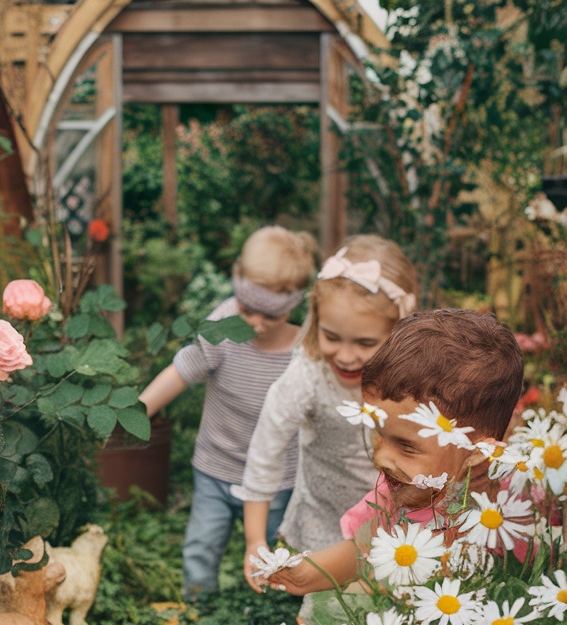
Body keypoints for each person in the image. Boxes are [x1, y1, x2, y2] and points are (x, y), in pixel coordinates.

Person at [265, 309, 526, 597]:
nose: (381, 458)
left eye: (406, 446)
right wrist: (309, 574)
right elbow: (365, 547)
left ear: (477, 453)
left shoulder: (511, 515)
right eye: (378, 431)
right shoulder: (398, 488)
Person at [139, 226, 317, 597]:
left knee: (274, 551)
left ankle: (266, 612)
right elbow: (183, 369)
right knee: (202, 546)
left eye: (270, 315)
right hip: (216, 468)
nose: (255, 323)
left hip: (276, 479)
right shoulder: (223, 330)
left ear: (292, 304)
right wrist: (139, 409)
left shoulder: (304, 350)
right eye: (247, 308)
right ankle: (199, 602)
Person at [239, 236, 418, 605]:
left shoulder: (415, 374)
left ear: (399, 331)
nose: (347, 356)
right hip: (325, 519)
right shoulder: (307, 377)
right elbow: (265, 452)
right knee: (327, 612)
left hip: (394, 517)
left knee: (389, 610)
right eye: (331, 337)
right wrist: (255, 539)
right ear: (316, 321)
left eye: (366, 343)